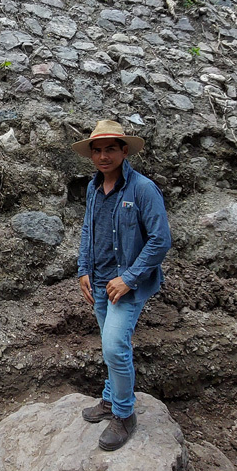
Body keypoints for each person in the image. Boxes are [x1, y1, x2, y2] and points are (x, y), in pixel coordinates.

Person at [73, 120, 172, 451]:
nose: (103, 156)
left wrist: (129, 278)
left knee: (115, 346)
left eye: (110, 149)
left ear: (124, 150)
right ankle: (110, 398)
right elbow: (89, 229)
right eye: (97, 150)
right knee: (108, 343)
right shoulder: (93, 188)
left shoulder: (142, 189)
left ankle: (124, 414)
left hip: (125, 286)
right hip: (98, 281)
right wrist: (83, 268)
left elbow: (160, 240)